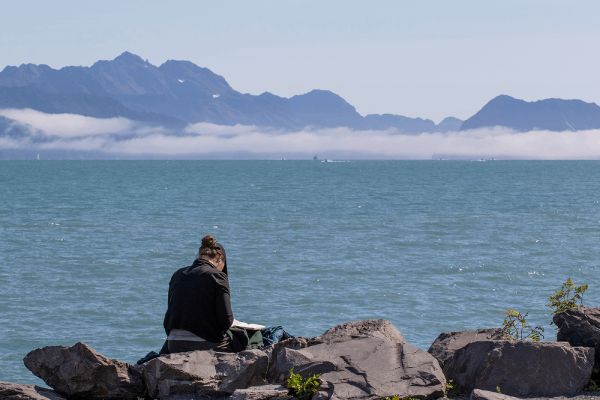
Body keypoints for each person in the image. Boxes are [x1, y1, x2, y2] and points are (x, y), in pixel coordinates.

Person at [163, 235, 234, 353]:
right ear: (220, 260)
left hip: (173, 344)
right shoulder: (218, 276)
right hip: (204, 344)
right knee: (246, 339)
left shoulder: (177, 274)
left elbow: (171, 315)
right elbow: (226, 321)